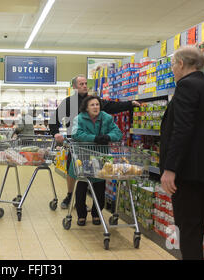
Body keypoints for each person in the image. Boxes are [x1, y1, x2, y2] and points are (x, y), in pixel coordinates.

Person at [159, 46, 204, 260]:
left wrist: (170, 168)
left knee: (187, 230)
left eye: (173, 65)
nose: (173, 70)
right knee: (194, 228)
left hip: (187, 171)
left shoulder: (186, 86)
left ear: (181, 64)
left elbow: (182, 129)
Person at [49, 74, 140, 209]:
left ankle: (87, 199)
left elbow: (112, 106)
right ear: (74, 86)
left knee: (95, 171)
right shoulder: (68, 102)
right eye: (81, 84)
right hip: (76, 143)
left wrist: (129, 104)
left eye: (86, 84)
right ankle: (70, 195)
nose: (85, 86)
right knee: (73, 169)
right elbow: (53, 119)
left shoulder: (94, 101)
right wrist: (56, 133)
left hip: (97, 145)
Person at [69, 95, 123, 225]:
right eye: (92, 105)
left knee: (99, 186)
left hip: (101, 156)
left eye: (97, 104)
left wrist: (107, 136)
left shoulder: (107, 118)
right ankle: (81, 215)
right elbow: (76, 133)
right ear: (86, 108)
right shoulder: (79, 118)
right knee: (82, 185)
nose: (95, 107)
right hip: (83, 157)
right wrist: (94, 138)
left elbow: (118, 133)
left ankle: (96, 213)